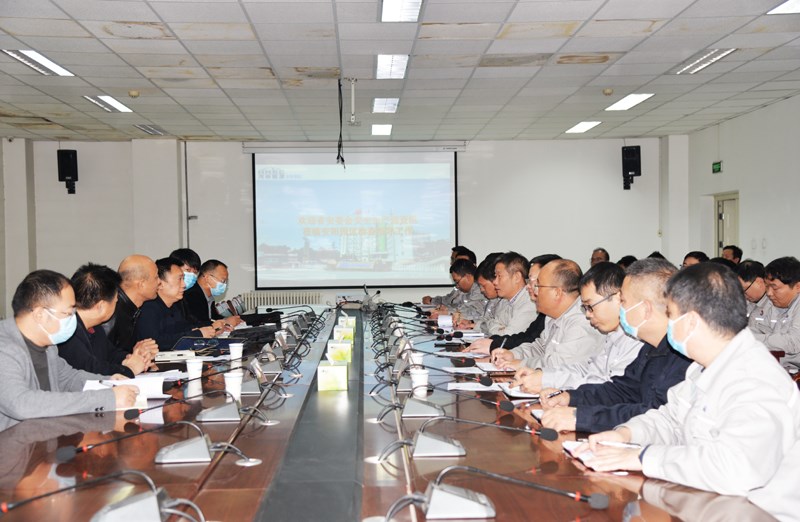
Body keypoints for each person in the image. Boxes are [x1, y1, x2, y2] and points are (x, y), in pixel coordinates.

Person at [576, 263, 800, 522]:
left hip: (757, 513)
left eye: (671, 315)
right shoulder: (703, 367)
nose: (667, 324)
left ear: (692, 321)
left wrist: (643, 457)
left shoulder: (756, 379)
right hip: (709, 502)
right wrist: (625, 434)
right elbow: (670, 418)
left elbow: (733, 469)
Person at [538, 258, 691, 433]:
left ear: (645, 309)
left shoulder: (683, 357)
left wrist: (581, 417)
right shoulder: (650, 348)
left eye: (623, 301)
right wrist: (571, 397)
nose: (620, 308)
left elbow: (654, 414)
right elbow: (623, 390)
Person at [0, 270, 139, 431]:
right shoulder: (5, 349)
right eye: (68, 313)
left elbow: (68, 378)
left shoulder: (48, 345)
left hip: (46, 436)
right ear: (40, 315)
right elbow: (22, 404)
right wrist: (105, 398)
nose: (74, 318)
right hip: (11, 442)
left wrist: (108, 382)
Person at [511, 262, 642, 394]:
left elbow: (613, 389)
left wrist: (551, 384)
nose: (587, 315)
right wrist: (544, 377)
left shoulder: (637, 340)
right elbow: (588, 370)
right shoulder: (613, 334)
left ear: (618, 298)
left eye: (590, 306)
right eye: (585, 308)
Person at [491, 259, 602, 370]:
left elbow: (558, 366)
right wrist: (513, 354)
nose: (534, 291)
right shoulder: (552, 315)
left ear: (557, 292)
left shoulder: (582, 321)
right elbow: (540, 347)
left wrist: (521, 363)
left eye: (538, 286)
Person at [58, 264, 157, 378]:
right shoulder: (67, 331)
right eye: (115, 301)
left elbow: (111, 353)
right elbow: (90, 369)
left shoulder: (94, 326)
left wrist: (133, 358)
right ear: (100, 306)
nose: (116, 304)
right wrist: (129, 369)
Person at [467, 254, 560, 355]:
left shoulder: (531, 303)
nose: (495, 282)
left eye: (499, 276)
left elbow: (515, 336)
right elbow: (530, 342)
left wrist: (496, 345)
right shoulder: (504, 300)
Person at [134, 257, 215, 350]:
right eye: (179, 279)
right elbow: (155, 343)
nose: (184, 285)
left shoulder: (175, 305)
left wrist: (202, 329)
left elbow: (183, 328)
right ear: (160, 283)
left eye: (183, 279)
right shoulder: (148, 308)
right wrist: (198, 334)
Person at [105, 255, 160, 353]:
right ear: (141, 284)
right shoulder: (111, 312)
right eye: (156, 278)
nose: (159, 282)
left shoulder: (131, 309)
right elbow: (102, 357)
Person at [755, 256, 800, 368]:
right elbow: (757, 329)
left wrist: (750, 339)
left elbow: (793, 342)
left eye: (774, 288)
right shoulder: (773, 304)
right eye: (767, 287)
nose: (769, 293)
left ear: (798, 287)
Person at [458, 254, 509, 335]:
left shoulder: (508, 300)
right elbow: (486, 319)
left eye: (483, 286)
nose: (481, 290)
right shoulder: (493, 299)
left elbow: (501, 329)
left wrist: (476, 325)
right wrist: (471, 322)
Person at [183, 259, 241, 329]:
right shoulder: (191, 296)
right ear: (208, 278)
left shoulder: (209, 297)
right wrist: (225, 322)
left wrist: (230, 320)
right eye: (223, 280)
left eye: (226, 281)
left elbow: (214, 318)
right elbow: (199, 324)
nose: (224, 285)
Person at [737, 260, 776, 336]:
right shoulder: (745, 303)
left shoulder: (776, 304)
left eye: (744, 290)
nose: (743, 295)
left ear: (758, 282)